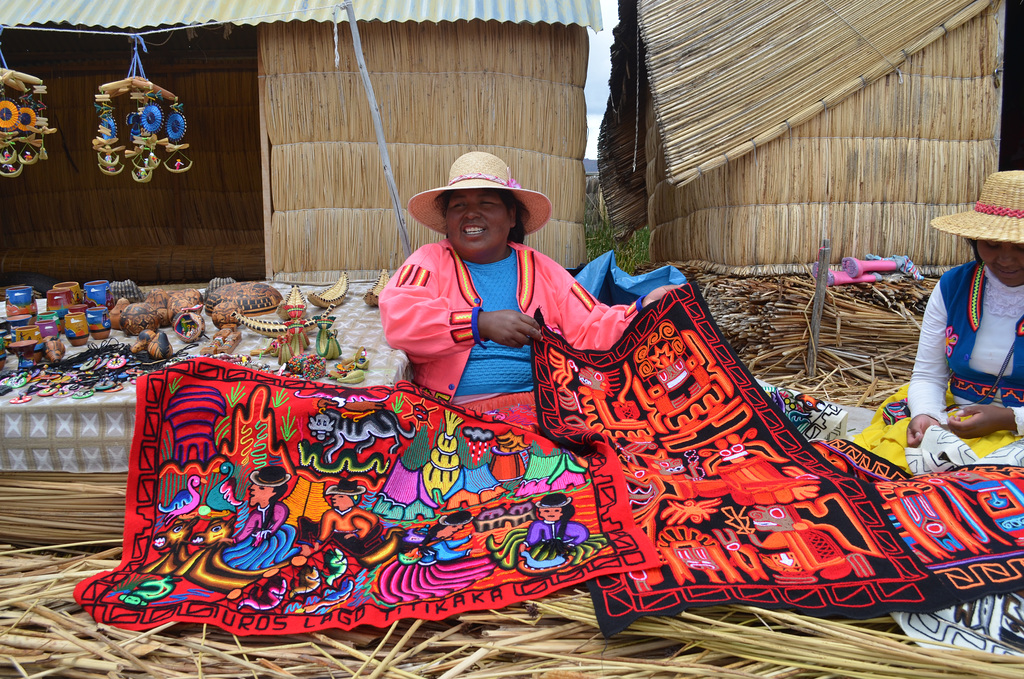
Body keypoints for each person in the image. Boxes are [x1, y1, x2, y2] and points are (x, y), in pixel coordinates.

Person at [379, 151, 681, 409]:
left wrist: (643, 308)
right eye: (459, 205)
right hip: (450, 412)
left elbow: (592, 326)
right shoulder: (429, 261)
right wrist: (479, 324)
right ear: (447, 220)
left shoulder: (542, 269)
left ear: (512, 217)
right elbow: (400, 319)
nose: (471, 214)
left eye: (486, 203)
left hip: (540, 409)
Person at [854, 170, 1024, 472]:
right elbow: (929, 375)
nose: (1006, 259)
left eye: (1021, 248)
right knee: (885, 468)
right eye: (993, 245)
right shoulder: (954, 286)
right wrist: (927, 416)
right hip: (956, 418)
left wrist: (1008, 419)